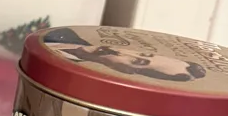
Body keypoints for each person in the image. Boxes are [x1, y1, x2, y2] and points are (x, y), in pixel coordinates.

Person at [43, 29, 207, 83]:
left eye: (137, 60)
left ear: (125, 71)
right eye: (143, 54)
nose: (124, 51)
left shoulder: (61, 75)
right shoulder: (64, 33)